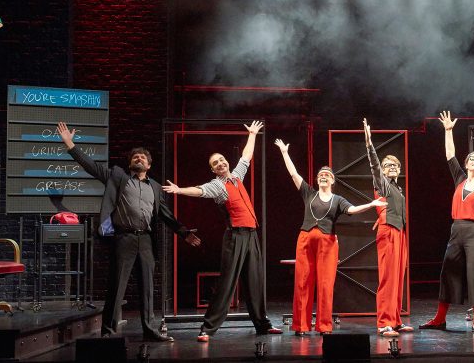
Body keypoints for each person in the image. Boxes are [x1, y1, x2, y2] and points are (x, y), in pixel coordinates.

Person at [56, 121, 201, 342]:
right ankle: (109, 332)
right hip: (123, 238)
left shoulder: (154, 187)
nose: (139, 158)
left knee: (147, 289)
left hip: (145, 240)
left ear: (149, 165)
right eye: (135, 157)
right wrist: (70, 144)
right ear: (130, 162)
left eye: (143, 157)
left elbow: (165, 215)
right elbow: (91, 166)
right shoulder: (117, 176)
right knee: (117, 287)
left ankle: (149, 330)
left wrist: (183, 233)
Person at [161, 121, 282, 342]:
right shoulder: (217, 185)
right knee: (227, 283)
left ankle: (263, 325)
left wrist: (253, 134)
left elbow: (246, 156)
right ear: (213, 169)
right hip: (235, 237)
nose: (220, 163)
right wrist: (179, 190)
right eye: (215, 163)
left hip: (251, 235)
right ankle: (207, 328)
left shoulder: (236, 177)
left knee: (255, 281)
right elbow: (199, 191)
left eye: (222, 160)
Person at [275, 139, 386, 335]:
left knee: (325, 284)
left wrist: (370, 204)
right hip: (305, 240)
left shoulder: (338, 200)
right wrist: (285, 152)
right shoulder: (309, 193)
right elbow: (293, 173)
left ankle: (324, 326)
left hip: (328, 242)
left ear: (333, 181)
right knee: (302, 282)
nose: (323, 177)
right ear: (317, 180)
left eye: (327, 175)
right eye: (320, 175)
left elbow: (351, 209)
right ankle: (301, 326)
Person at [420, 111, 474, 332]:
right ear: (466, 164)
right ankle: (440, 318)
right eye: (471, 159)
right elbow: (450, 155)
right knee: (448, 272)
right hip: (457, 229)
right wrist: (448, 131)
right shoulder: (459, 179)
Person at [363, 119, 413, 337]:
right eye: (388, 166)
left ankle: (395, 320)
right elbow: (374, 165)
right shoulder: (381, 183)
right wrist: (369, 144)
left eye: (395, 166)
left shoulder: (397, 187)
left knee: (398, 277)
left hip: (399, 232)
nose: (392, 168)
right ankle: (384, 323)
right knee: (387, 278)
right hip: (388, 231)